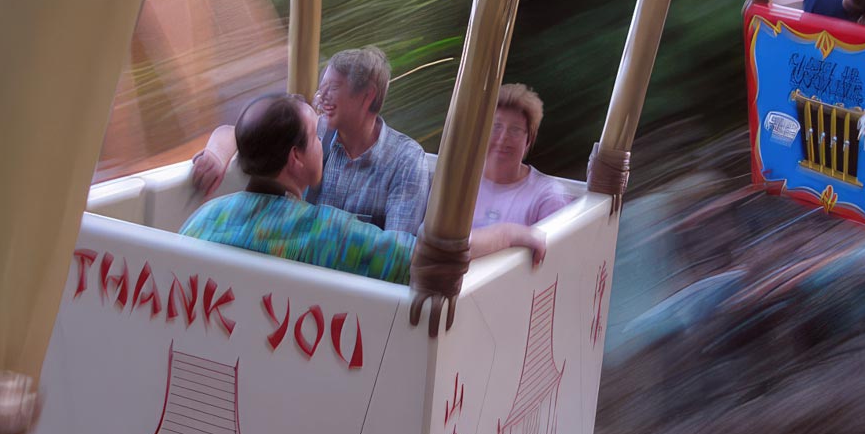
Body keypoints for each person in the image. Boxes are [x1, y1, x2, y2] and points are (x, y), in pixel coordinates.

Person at [181, 94, 545, 284]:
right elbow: (425, 258)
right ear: (295, 158)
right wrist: (508, 234)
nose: (323, 143)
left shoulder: (204, 219)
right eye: (314, 137)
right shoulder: (326, 233)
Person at [191, 47, 430, 235]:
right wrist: (215, 154)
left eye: (332, 88)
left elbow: (398, 254)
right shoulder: (317, 129)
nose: (320, 97)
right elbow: (249, 131)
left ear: (367, 96)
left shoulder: (406, 161)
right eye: (321, 88)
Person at [473, 83, 573, 228]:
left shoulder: (548, 198)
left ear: (528, 141)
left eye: (515, 130)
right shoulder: (457, 183)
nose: (503, 138)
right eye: (496, 127)